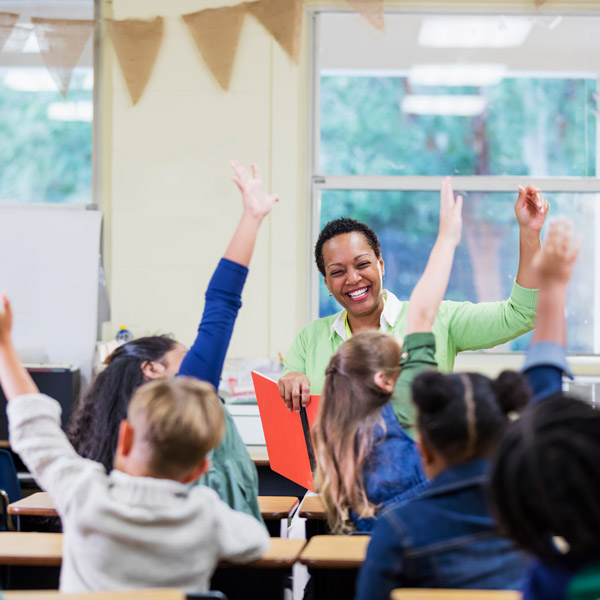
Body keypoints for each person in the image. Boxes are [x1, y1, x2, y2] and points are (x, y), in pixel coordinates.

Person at [355, 219, 577, 598]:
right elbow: (545, 387)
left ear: (423, 450)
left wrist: (447, 238)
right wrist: (554, 287)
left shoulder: (397, 532)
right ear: (504, 445)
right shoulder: (538, 519)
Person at [0, 296, 269, 592]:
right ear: (200, 468)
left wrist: (4, 346)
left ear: (124, 439)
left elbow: (35, 429)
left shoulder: (84, 493)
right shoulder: (205, 514)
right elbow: (256, 540)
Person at [67, 161, 278, 520]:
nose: (198, 358)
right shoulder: (189, 395)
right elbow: (222, 303)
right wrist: (252, 218)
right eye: (186, 354)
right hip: (224, 565)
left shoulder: (134, 439)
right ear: (152, 369)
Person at [279, 185, 549, 433]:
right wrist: (289, 379)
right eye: (338, 272)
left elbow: (523, 313)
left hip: (421, 480)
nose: (352, 279)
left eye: (362, 265)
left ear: (381, 265)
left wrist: (529, 232)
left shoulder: (439, 319)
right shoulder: (308, 339)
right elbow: (291, 412)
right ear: (326, 282)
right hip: (334, 482)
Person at [313, 177, 461, 532]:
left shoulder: (333, 439)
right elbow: (423, 313)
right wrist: (447, 238)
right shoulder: (407, 412)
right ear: (385, 381)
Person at [490, 221, 596, 600]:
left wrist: (553, 286)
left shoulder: (550, 581)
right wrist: (553, 287)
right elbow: (544, 392)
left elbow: (543, 391)